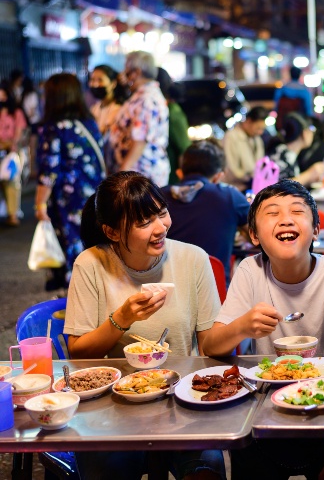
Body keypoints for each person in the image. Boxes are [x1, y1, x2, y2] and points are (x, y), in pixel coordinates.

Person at [202, 179, 324, 479]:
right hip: (266, 419)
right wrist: (241, 327)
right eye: (272, 213)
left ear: (316, 228)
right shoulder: (250, 271)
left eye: (297, 211)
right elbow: (212, 347)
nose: (286, 219)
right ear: (253, 234)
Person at [65, 171, 225, 480]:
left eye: (161, 213)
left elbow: (210, 347)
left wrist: (240, 327)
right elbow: (78, 353)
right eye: (143, 222)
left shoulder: (193, 259)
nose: (160, 227)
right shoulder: (90, 264)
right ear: (112, 232)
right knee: (104, 471)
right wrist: (121, 319)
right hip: (113, 407)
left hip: (184, 400)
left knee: (207, 470)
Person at [35, 73, 105, 291]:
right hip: (93, 195)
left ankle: (76, 305)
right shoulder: (88, 122)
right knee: (90, 246)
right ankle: (94, 296)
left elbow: (49, 171)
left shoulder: (54, 127)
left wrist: (39, 204)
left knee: (71, 248)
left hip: (67, 200)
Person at [161, 140, 250, 280]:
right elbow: (256, 235)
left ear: (180, 173)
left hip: (167, 291)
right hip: (216, 293)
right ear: (219, 176)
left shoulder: (157, 197)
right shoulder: (230, 197)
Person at [110, 51, 170, 186]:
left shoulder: (146, 99)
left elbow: (140, 140)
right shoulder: (143, 95)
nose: (123, 75)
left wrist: (121, 175)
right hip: (137, 174)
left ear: (136, 72)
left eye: (126, 70)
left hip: (140, 176)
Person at [267, 112, 324, 186]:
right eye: (311, 130)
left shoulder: (286, 152)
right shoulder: (282, 153)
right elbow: (277, 187)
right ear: (305, 133)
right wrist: (309, 174)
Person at [156, 68, 192, 185]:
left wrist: (185, 182)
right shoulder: (161, 110)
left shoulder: (172, 113)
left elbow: (184, 149)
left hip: (169, 180)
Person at [89, 64, 128, 173]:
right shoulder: (94, 109)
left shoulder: (121, 109)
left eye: (100, 80)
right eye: (92, 80)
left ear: (113, 83)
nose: (95, 84)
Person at [222, 106, 268, 192]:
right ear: (248, 121)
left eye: (262, 129)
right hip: (235, 189)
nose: (260, 132)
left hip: (253, 187)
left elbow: (260, 164)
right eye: (258, 128)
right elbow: (231, 169)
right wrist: (250, 179)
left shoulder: (257, 139)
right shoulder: (231, 137)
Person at [0, 82, 27, 226]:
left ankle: (13, 214)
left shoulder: (16, 112)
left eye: (3, 94)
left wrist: (11, 144)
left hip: (12, 153)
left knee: (12, 182)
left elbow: (19, 132)